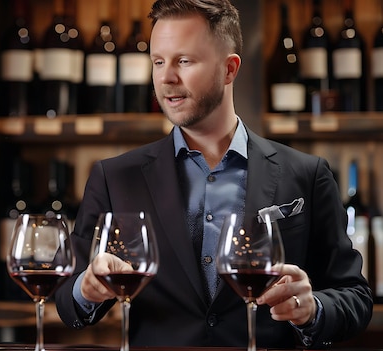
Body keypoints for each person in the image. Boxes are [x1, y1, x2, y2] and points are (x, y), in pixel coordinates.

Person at [54, 0, 373, 348]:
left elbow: (355, 297)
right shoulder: (115, 177)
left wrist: (313, 308)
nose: (166, 77)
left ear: (229, 70)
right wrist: (87, 288)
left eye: (184, 61)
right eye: (158, 62)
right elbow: (67, 302)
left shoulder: (307, 174)